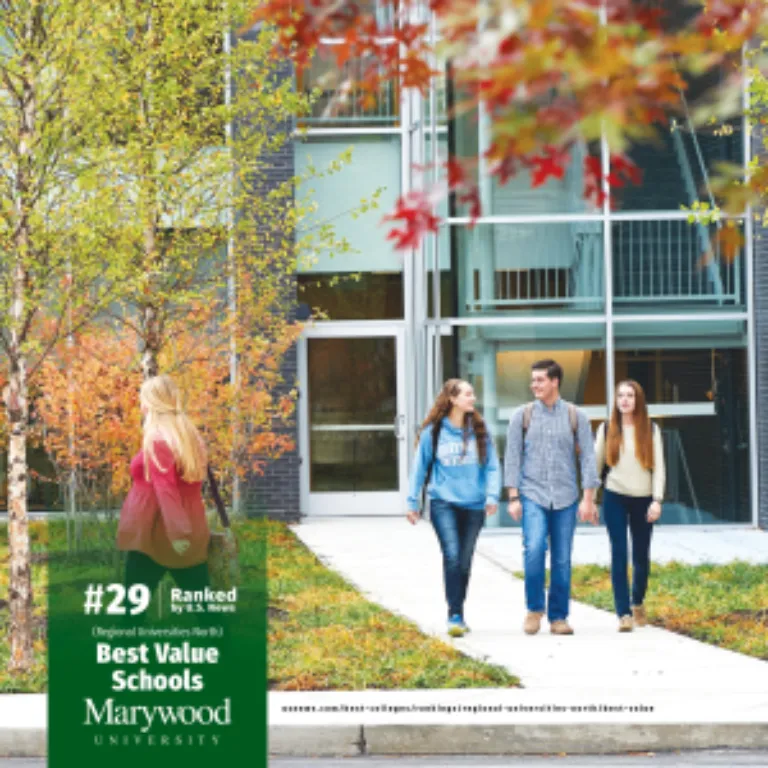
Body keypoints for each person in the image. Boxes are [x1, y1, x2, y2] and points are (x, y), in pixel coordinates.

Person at [504, 359, 599, 636]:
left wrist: (588, 498)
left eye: (540, 380)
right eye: (533, 380)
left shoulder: (576, 416)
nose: (534, 385)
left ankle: (558, 617)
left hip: (566, 497)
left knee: (562, 559)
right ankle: (535, 609)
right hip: (532, 494)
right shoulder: (522, 416)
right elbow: (512, 456)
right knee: (534, 548)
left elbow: (589, 458)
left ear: (555, 382)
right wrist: (513, 496)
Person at [406, 379, 501, 638]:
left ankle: (458, 610)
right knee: (452, 555)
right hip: (443, 503)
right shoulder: (434, 432)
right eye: (468, 394)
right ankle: (454, 615)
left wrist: (492, 495)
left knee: (464, 561)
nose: (473, 398)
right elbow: (419, 468)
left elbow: (492, 465)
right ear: (452, 399)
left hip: (474, 505)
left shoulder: (480, 430)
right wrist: (412, 502)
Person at [117, 375, 211, 609]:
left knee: (132, 609)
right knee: (203, 607)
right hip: (188, 525)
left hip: (156, 532)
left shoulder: (158, 440)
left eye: (143, 399)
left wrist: (178, 534)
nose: (141, 406)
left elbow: (166, 491)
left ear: (153, 403)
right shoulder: (190, 436)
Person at [595, 379, 666, 632]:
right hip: (614, 496)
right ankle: (623, 613)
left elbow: (659, 468)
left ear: (638, 400)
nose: (625, 400)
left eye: (630, 396)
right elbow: (595, 466)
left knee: (641, 556)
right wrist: (589, 499)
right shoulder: (607, 428)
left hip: (644, 499)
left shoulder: (651, 429)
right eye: (621, 396)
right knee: (619, 553)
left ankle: (637, 602)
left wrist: (657, 500)